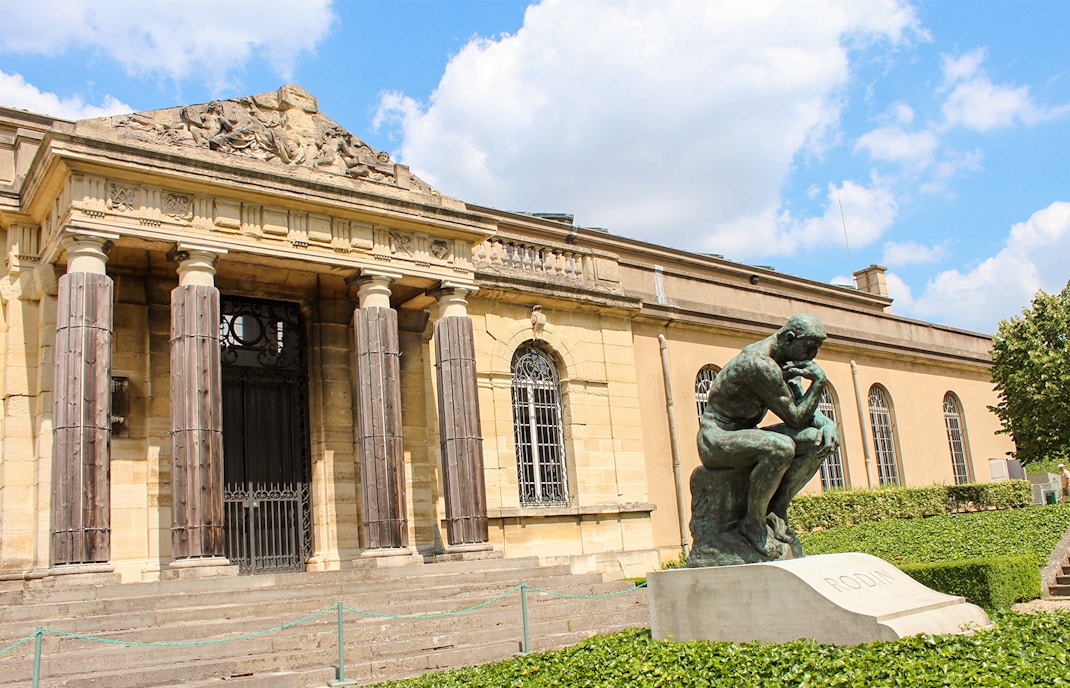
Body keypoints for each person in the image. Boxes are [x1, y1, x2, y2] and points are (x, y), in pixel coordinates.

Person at [698, 314, 839, 557]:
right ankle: (752, 525)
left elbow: (805, 411)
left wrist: (828, 424)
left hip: (747, 434)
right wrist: (818, 382)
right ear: (789, 338)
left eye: (817, 348)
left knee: (818, 441)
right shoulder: (759, 364)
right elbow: (795, 418)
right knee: (781, 447)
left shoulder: (788, 361)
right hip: (717, 439)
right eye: (809, 347)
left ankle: (776, 511)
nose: (813, 355)